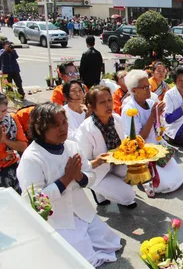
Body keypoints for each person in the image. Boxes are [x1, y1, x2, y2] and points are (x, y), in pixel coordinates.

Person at [17, 103, 121, 267]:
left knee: (112, 243)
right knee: (84, 260)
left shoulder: (71, 146)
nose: (62, 128)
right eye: (55, 125)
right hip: (57, 218)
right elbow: (33, 201)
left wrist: (79, 175)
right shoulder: (32, 158)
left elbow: (90, 175)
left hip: (81, 210)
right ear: (39, 129)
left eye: (64, 122)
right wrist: (66, 179)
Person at [121, 70, 183, 197]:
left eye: (149, 86)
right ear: (134, 91)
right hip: (141, 151)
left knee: (178, 177)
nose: (149, 89)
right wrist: (152, 116)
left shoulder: (150, 103)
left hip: (156, 146)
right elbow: (138, 139)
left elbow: (159, 128)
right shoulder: (129, 109)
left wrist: (159, 117)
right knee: (164, 184)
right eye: (145, 87)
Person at [76, 86, 137, 208]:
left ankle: (112, 189)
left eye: (110, 100)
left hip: (117, 166)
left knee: (138, 168)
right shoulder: (85, 129)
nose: (108, 105)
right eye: (102, 102)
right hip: (97, 172)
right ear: (91, 106)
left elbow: (124, 142)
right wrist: (98, 161)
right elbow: (83, 165)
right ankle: (96, 189)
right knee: (129, 197)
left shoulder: (117, 120)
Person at [0, 94, 28, 194]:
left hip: (11, 167)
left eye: (3, 111)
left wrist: (6, 141)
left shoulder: (11, 120)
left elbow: (23, 146)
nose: (1, 115)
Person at [163, 68, 183, 146]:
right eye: (180, 80)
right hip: (176, 127)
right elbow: (168, 119)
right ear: (175, 82)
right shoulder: (169, 95)